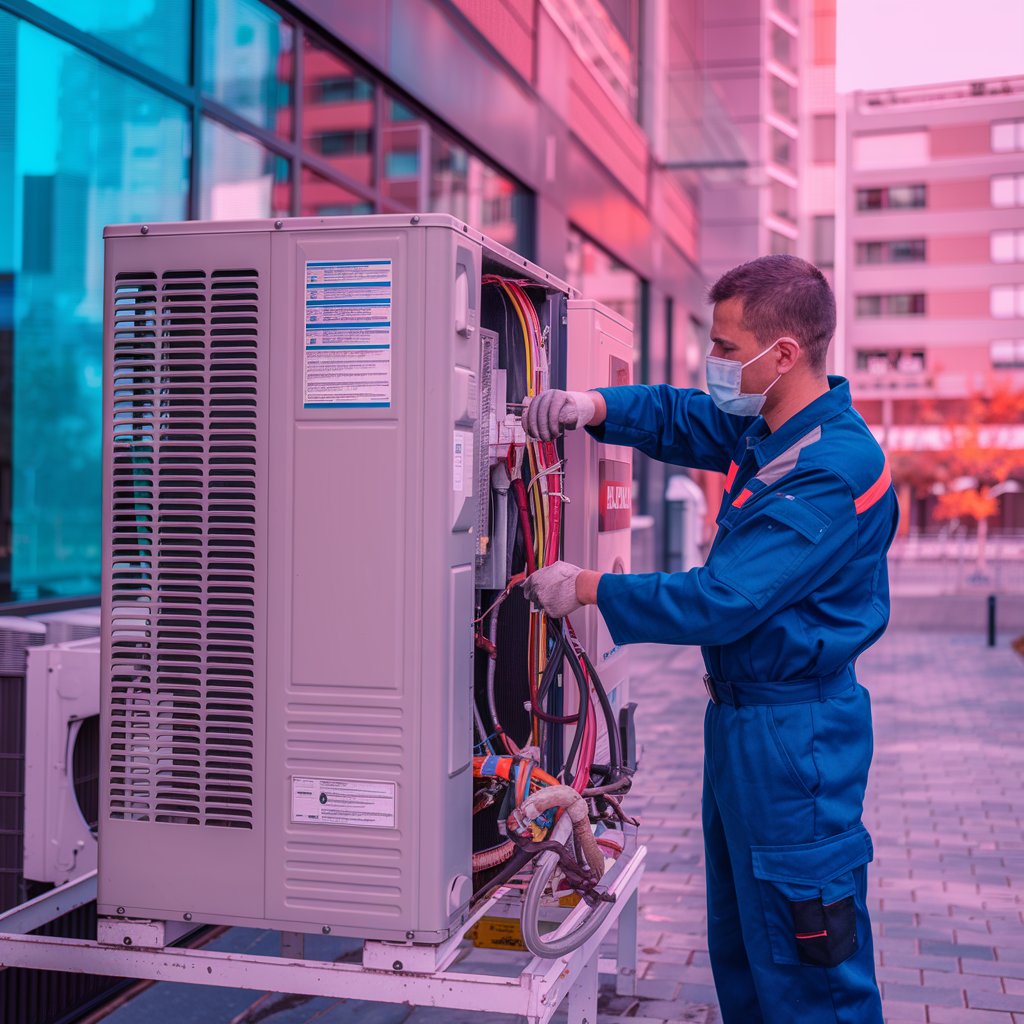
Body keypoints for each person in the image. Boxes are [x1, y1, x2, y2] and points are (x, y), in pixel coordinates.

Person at [521, 254, 897, 1024]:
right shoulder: (774, 429)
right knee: (746, 945)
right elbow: (684, 415)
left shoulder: (828, 464)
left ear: (784, 353)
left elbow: (724, 599)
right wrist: (592, 405)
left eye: (726, 348)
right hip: (743, 724)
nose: (714, 364)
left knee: (808, 964)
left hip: (796, 739)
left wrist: (588, 588)